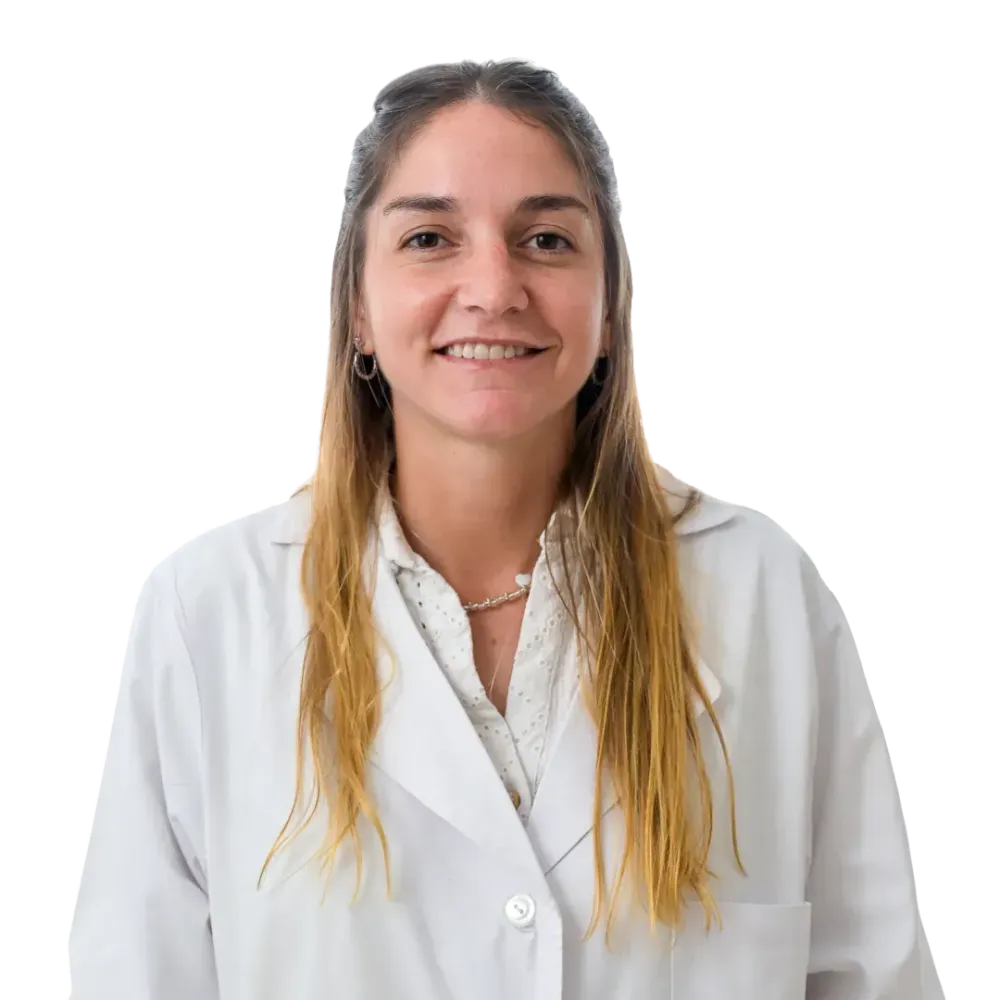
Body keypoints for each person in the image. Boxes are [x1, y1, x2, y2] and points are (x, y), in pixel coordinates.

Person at [67, 57, 943, 999]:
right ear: (358, 307)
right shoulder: (208, 612)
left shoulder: (767, 594)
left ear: (608, 303)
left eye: (546, 240)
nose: (493, 287)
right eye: (430, 238)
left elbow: (873, 982)